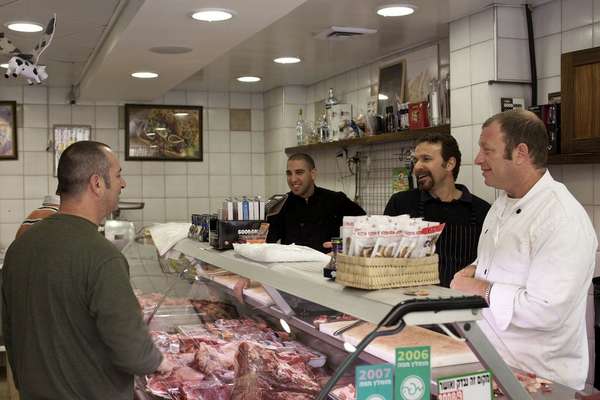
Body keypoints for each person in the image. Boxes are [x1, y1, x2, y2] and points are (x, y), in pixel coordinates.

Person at [2, 141, 174, 400]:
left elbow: (10, 332)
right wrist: (163, 363)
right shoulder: (103, 257)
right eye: (118, 175)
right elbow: (133, 354)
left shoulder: (19, 248)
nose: (123, 183)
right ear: (97, 183)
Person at [450, 110, 597, 390]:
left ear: (520, 153)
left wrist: (479, 288)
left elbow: (547, 309)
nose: (478, 159)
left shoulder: (561, 217)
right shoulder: (501, 205)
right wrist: (473, 269)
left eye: (487, 150)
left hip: (542, 381)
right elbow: (499, 260)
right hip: (496, 367)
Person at [383, 133, 490, 286]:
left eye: (426, 159)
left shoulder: (482, 210)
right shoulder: (401, 204)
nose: (417, 167)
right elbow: (383, 260)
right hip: (410, 304)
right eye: (416, 160)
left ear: (449, 164)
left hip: (461, 304)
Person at [267, 153, 366, 252]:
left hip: (328, 265)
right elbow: (266, 242)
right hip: (292, 265)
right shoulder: (280, 205)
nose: (293, 179)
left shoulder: (336, 200)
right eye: (289, 173)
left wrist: (342, 246)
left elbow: (365, 226)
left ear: (313, 174)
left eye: (299, 172)